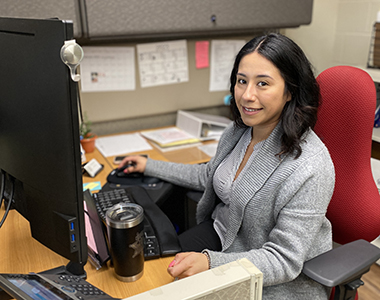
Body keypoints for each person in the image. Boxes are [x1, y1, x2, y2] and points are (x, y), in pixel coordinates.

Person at [119, 33, 335, 300]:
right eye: (241, 81)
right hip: (224, 236)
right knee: (151, 274)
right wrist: (149, 165)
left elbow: (283, 260)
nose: (247, 95)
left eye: (263, 84)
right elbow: (208, 176)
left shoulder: (310, 165)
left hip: (278, 277)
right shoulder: (240, 131)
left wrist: (211, 264)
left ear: (289, 91)